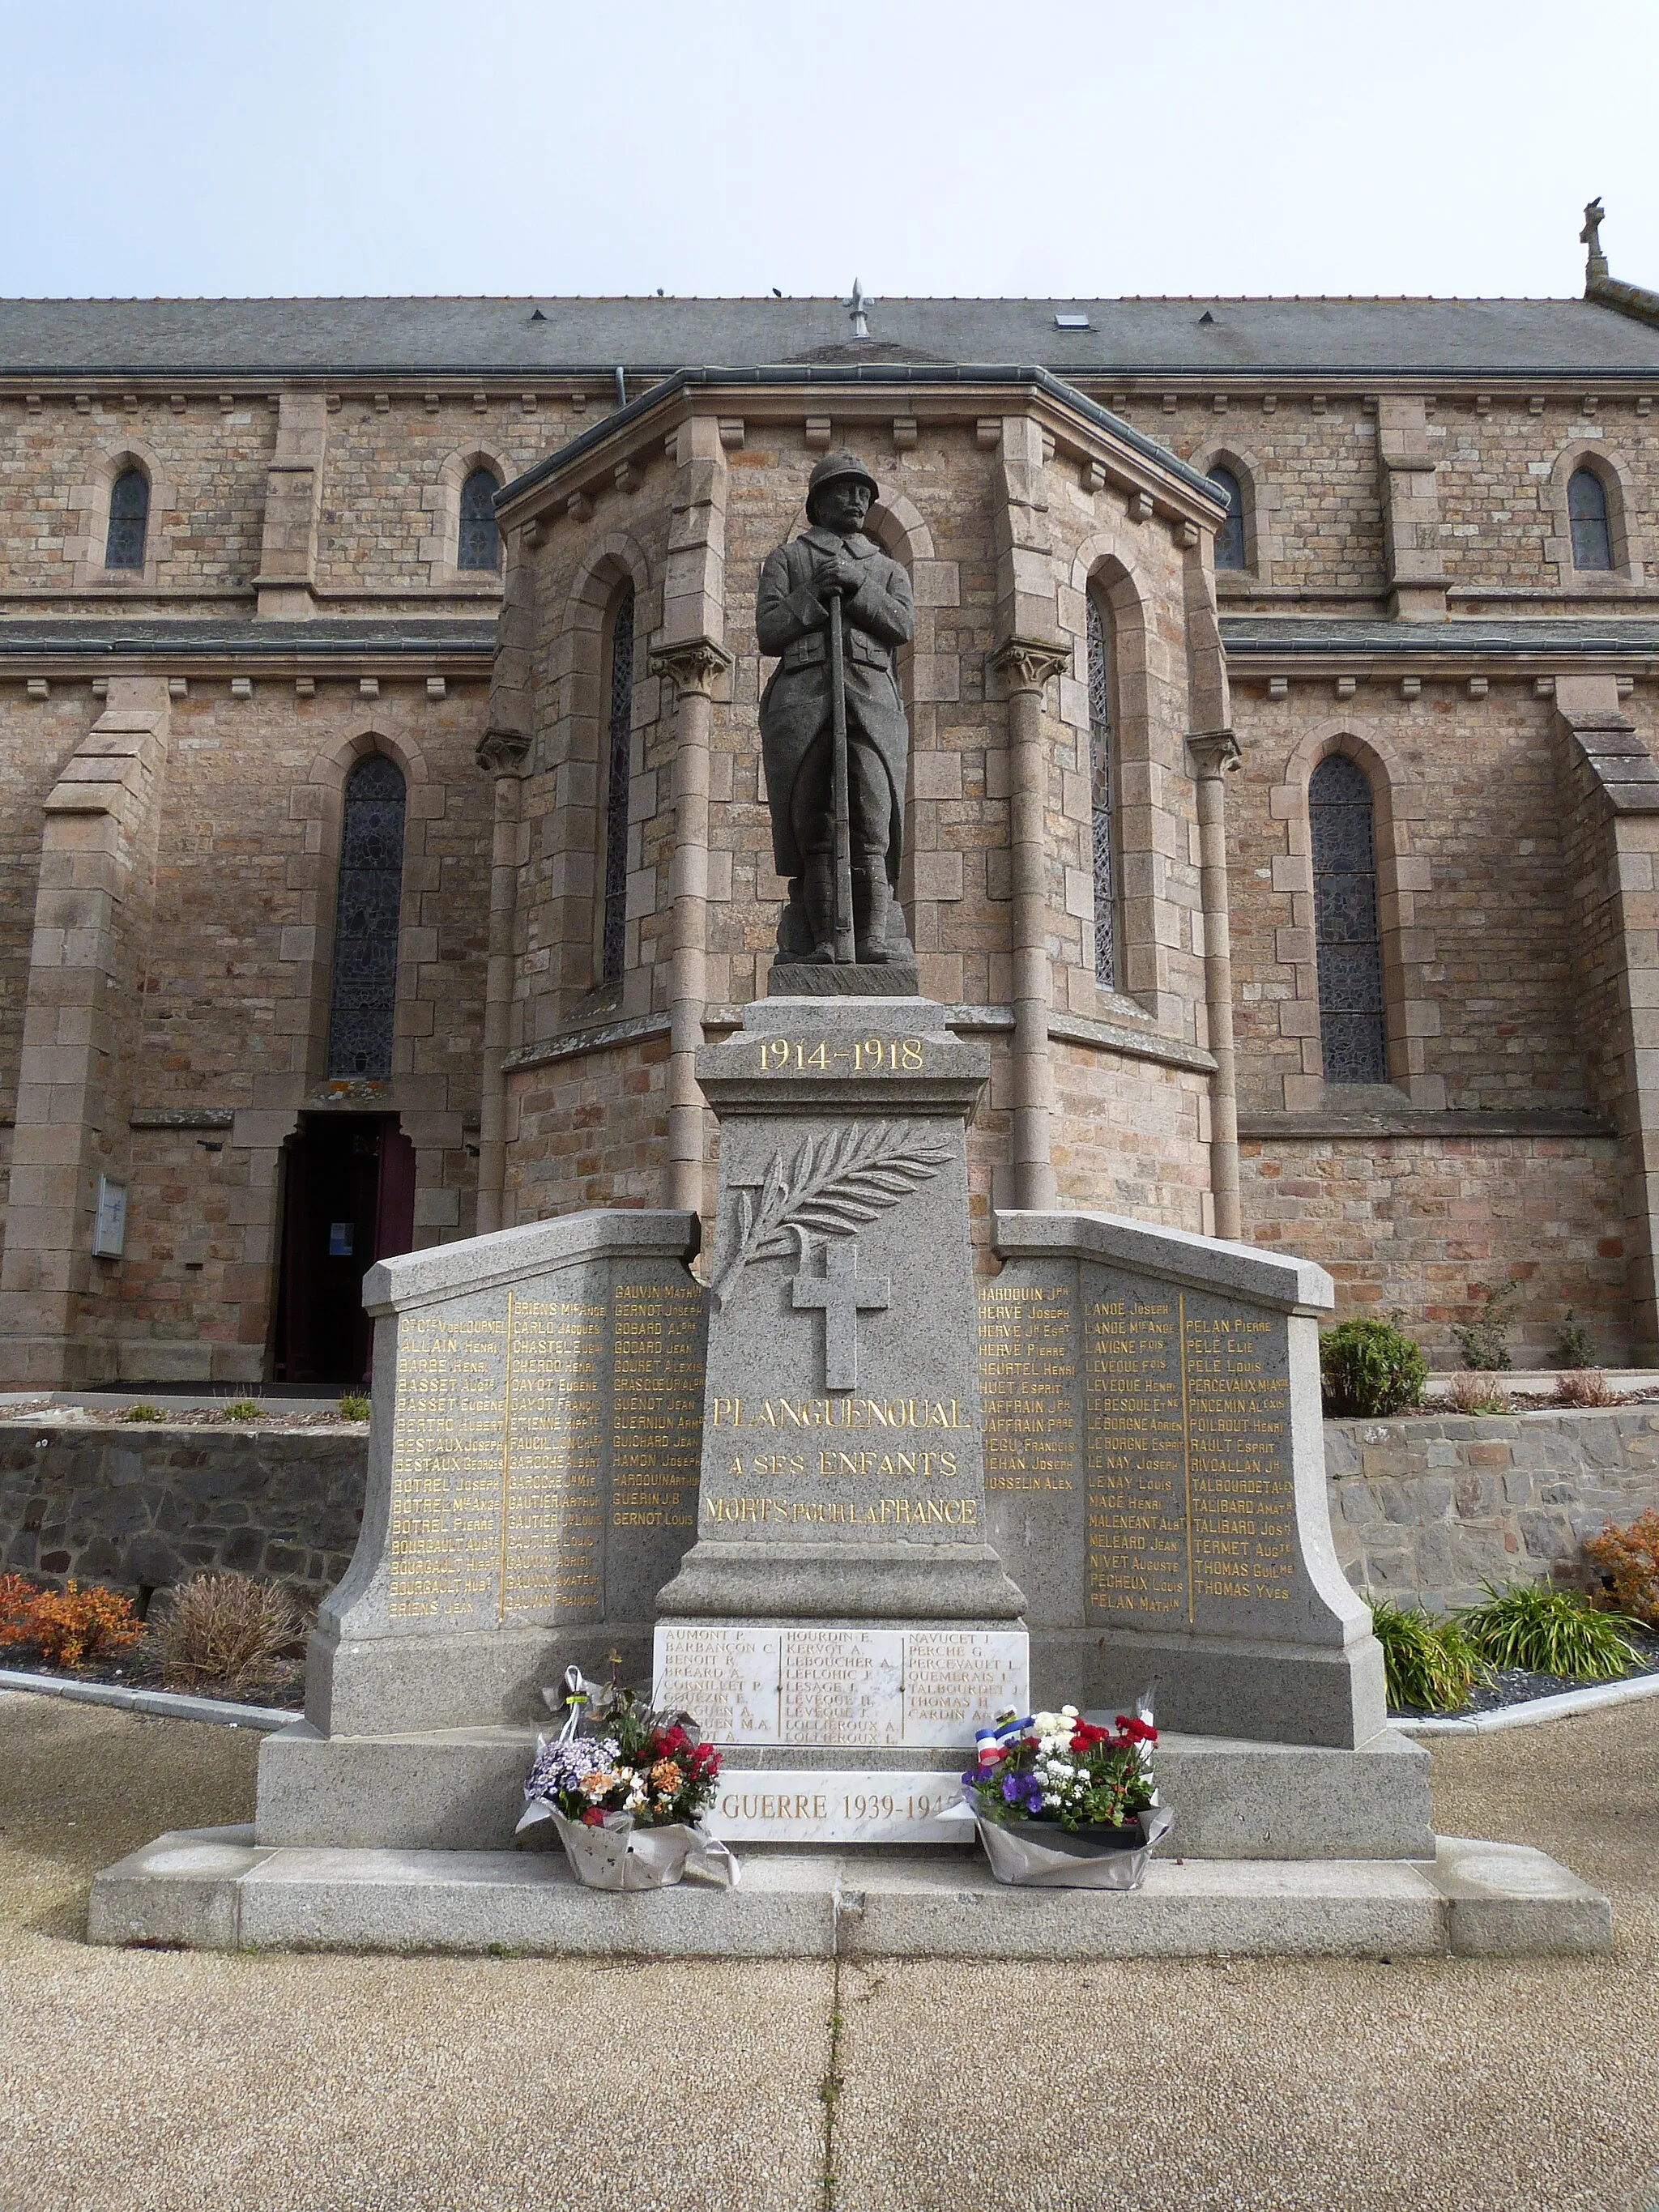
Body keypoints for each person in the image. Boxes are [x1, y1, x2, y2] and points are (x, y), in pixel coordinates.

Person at [755, 450, 914, 963]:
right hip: (803, 704)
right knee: (815, 824)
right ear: (818, 501)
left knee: (872, 818)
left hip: (871, 704)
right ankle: (824, 941)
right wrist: (814, 594)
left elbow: (901, 626)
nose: (856, 499)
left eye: (863, 492)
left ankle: (872, 939)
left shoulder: (885, 569)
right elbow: (769, 631)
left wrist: (858, 586)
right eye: (844, 490)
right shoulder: (789, 560)